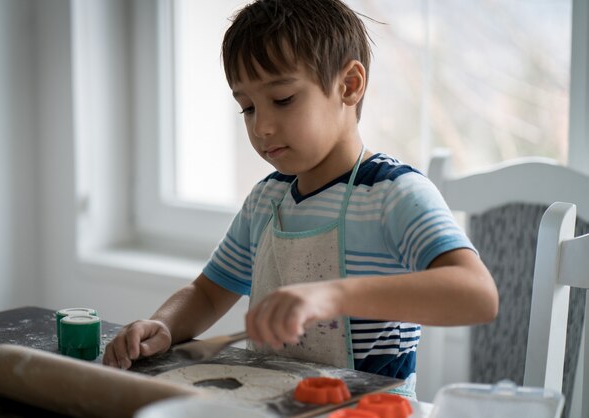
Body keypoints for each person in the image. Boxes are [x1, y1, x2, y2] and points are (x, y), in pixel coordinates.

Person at [103, 0, 498, 398]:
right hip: (272, 403)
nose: (262, 127)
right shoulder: (266, 200)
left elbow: (477, 295)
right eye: (247, 108)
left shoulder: (393, 194)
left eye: (283, 99)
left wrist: (333, 295)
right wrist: (165, 326)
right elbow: (207, 293)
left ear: (349, 85)